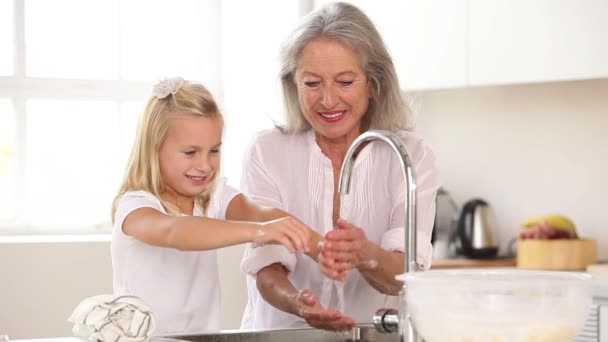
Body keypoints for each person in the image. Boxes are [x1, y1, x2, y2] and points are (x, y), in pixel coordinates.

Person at [239, 2, 441, 331]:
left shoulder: (412, 156)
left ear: (373, 83)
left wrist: (366, 254)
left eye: (345, 82)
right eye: (312, 83)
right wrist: (299, 305)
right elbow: (266, 266)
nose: (329, 100)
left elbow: (406, 275)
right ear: (293, 83)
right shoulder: (266, 152)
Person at [110, 78, 317, 334]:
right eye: (190, 152)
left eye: (214, 151)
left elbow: (261, 213)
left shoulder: (213, 196)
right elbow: (174, 231)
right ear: (154, 148)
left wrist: (321, 246)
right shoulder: (135, 206)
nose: (205, 165)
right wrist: (260, 230)